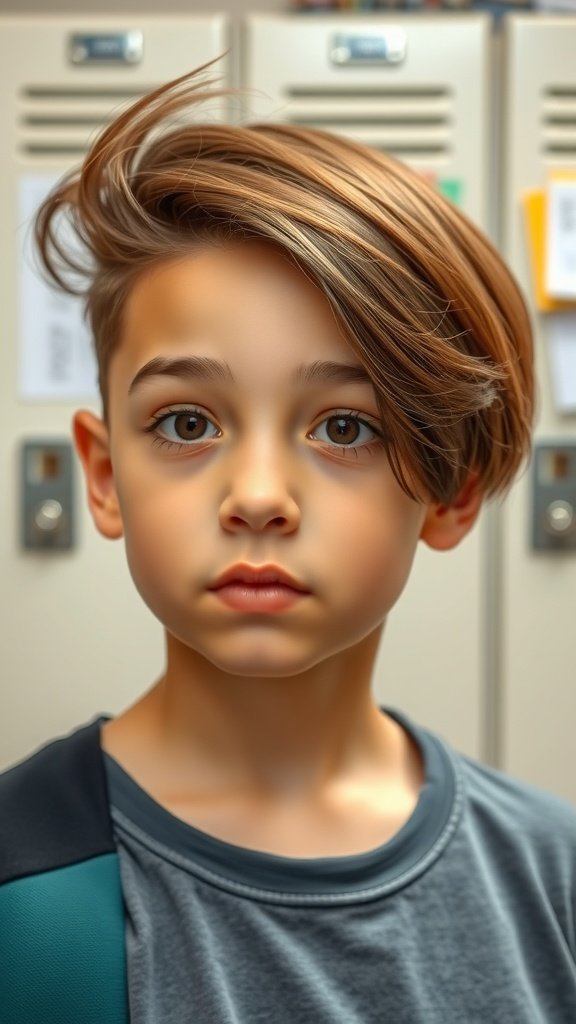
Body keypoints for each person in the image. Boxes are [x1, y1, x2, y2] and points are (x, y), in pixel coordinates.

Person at [1, 59, 574, 1023]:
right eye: (187, 423)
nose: (259, 497)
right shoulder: (26, 892)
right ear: (104, 477)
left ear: (450, 489)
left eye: (345, 428)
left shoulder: (552, 880)